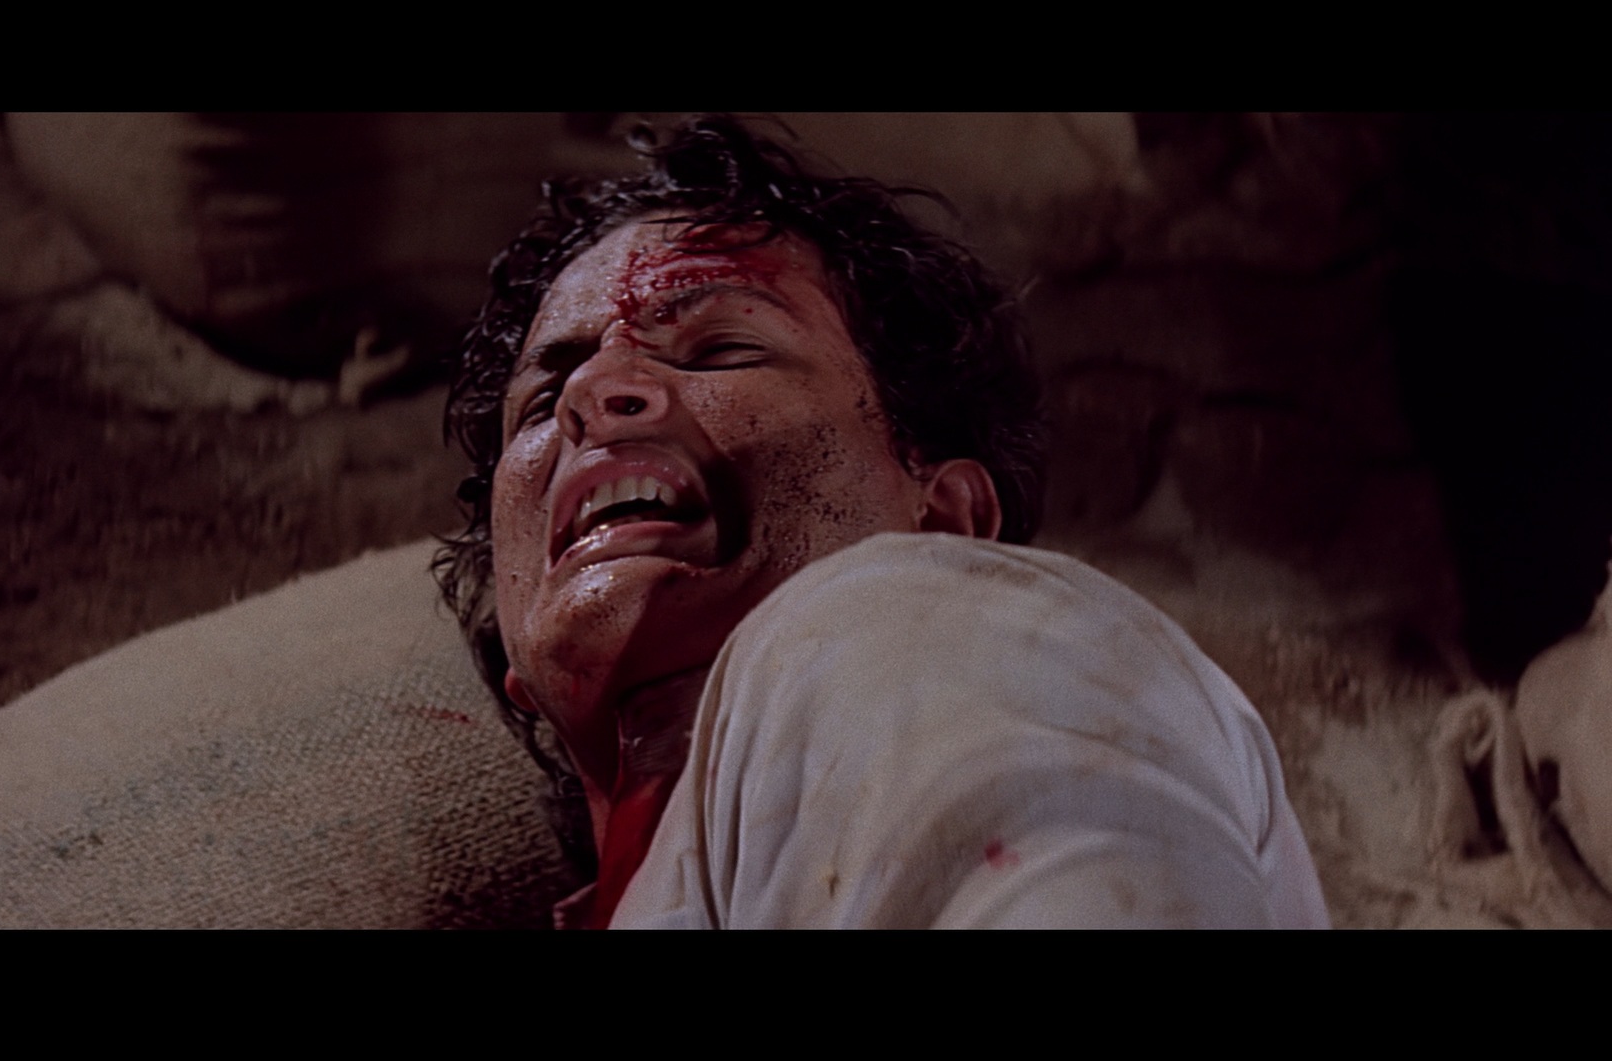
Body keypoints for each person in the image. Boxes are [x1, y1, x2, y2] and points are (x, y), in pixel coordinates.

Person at [435, 115, 1328, 928]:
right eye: (545, 397)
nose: (595, 392)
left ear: (943, 517)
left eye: (722, 349)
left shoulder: (920, 625)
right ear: (514, 653)